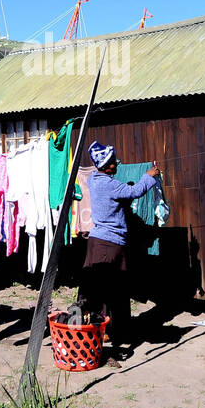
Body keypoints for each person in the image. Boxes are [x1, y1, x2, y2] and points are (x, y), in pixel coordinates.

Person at [76, 140, 160, 364]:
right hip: (109, 245)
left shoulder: (95, 179)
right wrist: (149, 175)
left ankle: (103, 332)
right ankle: (108, 335)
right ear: (108, 166)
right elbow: (134, 191)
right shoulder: (110, 185)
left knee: (99, 290)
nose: (117, 163)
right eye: (114, 161)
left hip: (97, 242)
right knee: (112, 291)